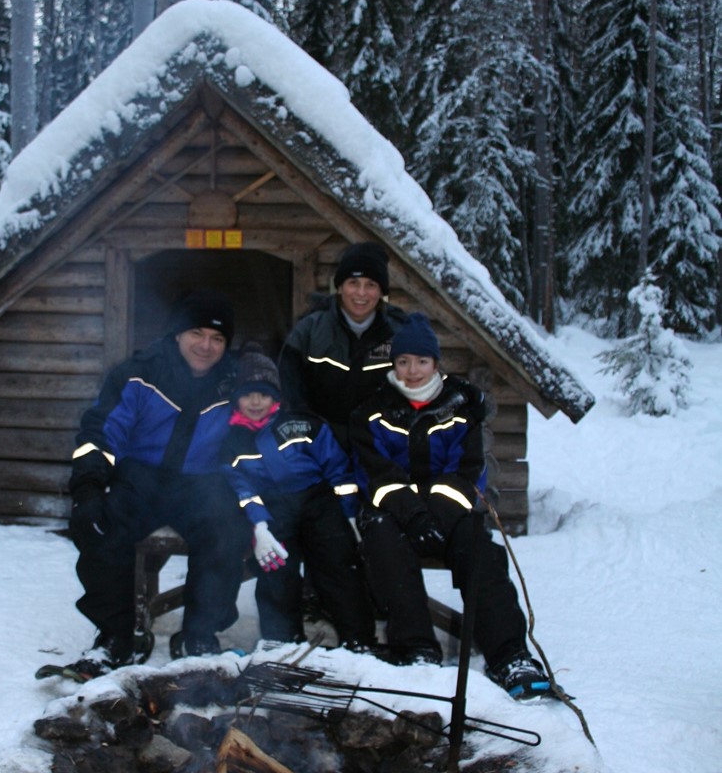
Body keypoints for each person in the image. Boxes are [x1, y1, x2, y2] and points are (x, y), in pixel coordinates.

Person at [349, 312, 554, 700]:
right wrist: (412, 512)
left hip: (449, 510)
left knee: (482, 552)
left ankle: (510, 655)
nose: (412, 371)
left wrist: (435, 514)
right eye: (404, 362)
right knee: (382, 544)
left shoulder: (460, 408)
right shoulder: (372, 410)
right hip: (394, 511)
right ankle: (417, 649)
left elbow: (467, 471)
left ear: (436, 364)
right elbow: (374, 473)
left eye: (421, 362)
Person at [68, 289, 249, 673]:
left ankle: (199, 636)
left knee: (227, 530)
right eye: (197, 333)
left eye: (217, 338)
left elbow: (258, 429)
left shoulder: (236, 381)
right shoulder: (138, 373)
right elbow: (101, 431)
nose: (206, 345)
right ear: (177, 334)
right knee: (102, 524)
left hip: (201, 482)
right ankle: (116, 637)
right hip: (140, 477)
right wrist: (87, 486)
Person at [220, 348, 374, 650]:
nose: (255, 402)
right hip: (273, 509)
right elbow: (243, 490)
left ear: (275, 396)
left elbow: (338, 470)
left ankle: (359, 639)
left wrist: (350, 514)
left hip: (318, 503)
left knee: (338, 566)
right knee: (276, 570)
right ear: (236, 397)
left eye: (263, 394)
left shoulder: (303, 424)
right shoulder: (231, 441)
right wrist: (260, 527)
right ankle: (282, 640)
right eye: (248, 394)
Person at [278, 241, 410, 450]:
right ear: (339, 287)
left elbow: (417, 389)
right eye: (353, 283)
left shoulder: (400, 334)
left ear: (381, 291)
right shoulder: (309, 330)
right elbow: (288, 388)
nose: (361, 293)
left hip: (380, 447)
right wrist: (313, 432)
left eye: (371, 285)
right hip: (319, 446)